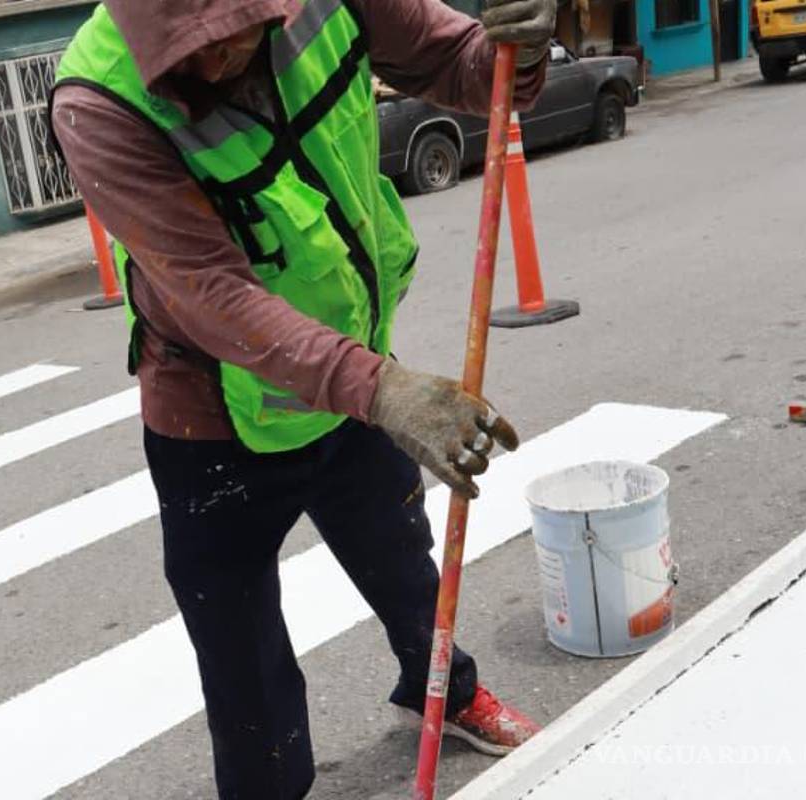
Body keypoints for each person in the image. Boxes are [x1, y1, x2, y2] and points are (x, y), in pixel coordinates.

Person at [51, 0, 555, 796]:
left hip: (353, 378)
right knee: (242, 661)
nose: (218, 65)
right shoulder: (99, 102)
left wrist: (514, 55)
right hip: (212, 414)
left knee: (404, 565)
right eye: (191, 51)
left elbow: (455, 63)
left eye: (235, 35)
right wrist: (384, 390)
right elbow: (211, 294)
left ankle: (446, 695)